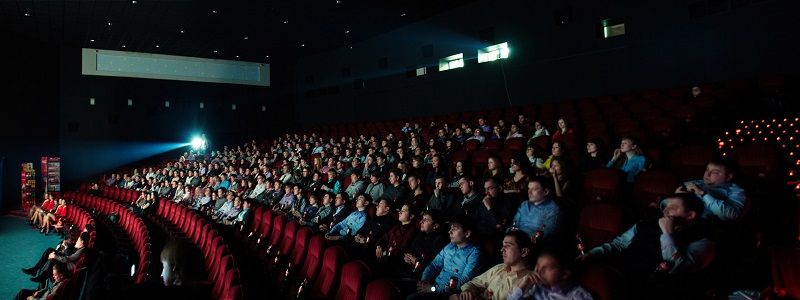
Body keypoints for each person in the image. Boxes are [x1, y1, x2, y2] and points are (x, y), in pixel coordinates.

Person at [578, 193, 715, 297]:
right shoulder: (646, 223)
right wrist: (592, 253)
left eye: (671, 208)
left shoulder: (704, 240)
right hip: (620, 271)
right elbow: (619, 244)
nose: (665, 211)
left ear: (690, 215)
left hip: (650, 287)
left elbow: (675, 266)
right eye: (664, 207)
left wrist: (667, 233)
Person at [408, 215, 482, 300]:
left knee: (411, 298)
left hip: (447, 293)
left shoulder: (474, 254)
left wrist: (433, 289)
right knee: (400, 285)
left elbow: (462, 282)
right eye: (450, 228)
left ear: (467, 233)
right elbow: (434, 265)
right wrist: (424, 280)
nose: (449, 232)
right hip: (432, 284)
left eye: (454, 229)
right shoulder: (450, 246)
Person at [451, 231, 535, 300]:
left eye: (507, 246)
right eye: (502, 246)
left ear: (524, 252)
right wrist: (468, 291)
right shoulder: (500, 267)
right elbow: (475, 283)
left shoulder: (530, 281)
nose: (502, 249)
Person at [507, 250, 594, 300]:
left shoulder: (579, 296)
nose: (538, 271)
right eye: (537, 266)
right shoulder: (535, 287)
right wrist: (522, 286)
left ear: (564, 274)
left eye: (545, 268)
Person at [510, 177, 561, 241]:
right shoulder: (524, 204)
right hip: (515, 238)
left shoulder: (552, 209)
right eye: (528, 188)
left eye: (534, 189)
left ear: (545, 192)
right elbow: (515, 223)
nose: (529, 192)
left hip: (532, 243)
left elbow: (546, 233)